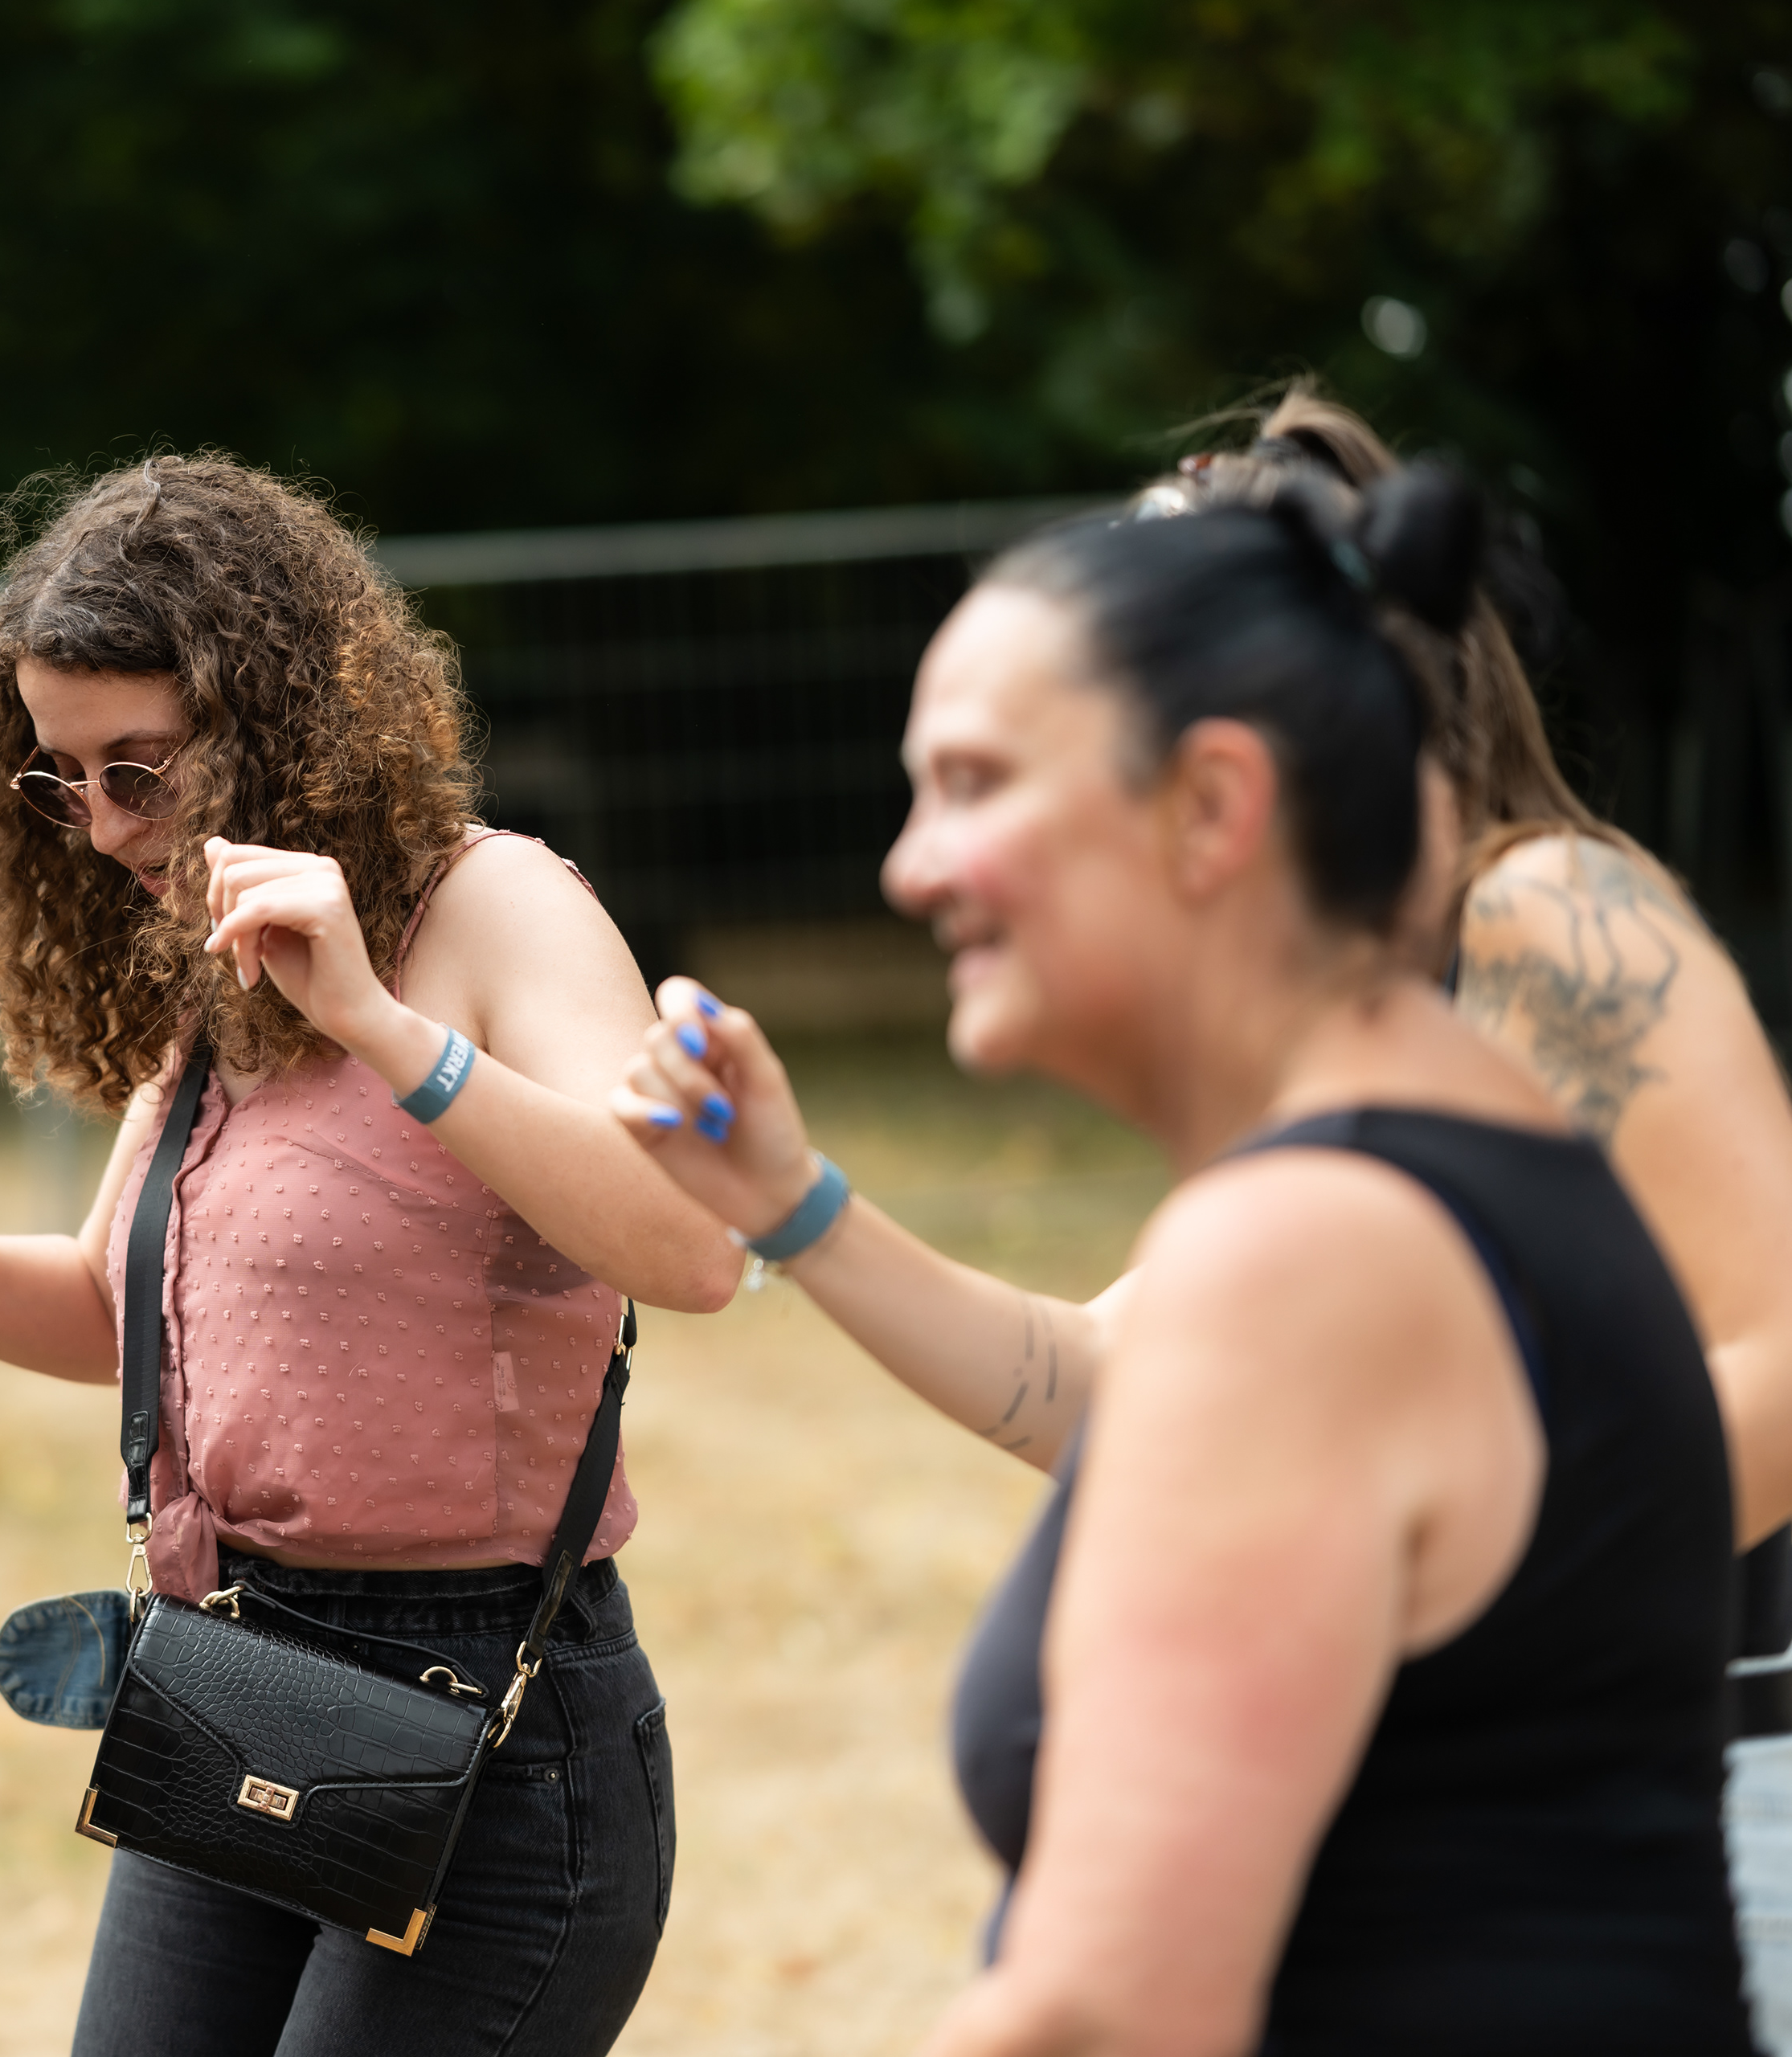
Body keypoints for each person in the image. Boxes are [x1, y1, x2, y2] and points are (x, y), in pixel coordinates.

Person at [623, 388, 1792, 2047]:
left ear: (1219, 793)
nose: (908, 865)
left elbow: (1112, 2001)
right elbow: (1119, 1386)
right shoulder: (1353, 1169)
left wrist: (1445, 1551)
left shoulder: (1504, 975)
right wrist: (798, 1207)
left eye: (979, 779)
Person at [0, 453, 739, 2055]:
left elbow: (692, 1245)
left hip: (496, 1738)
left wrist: (377, 1022)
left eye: (140, 767)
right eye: (61, 775)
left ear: (271, 726)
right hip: (237, 1686)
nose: (100, 825)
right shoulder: (214, 956)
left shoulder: (501, 907)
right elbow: (117, 1310)